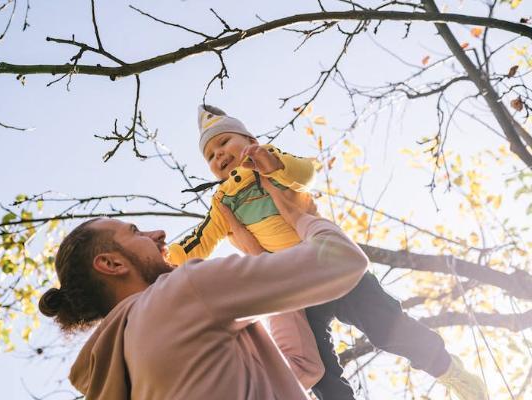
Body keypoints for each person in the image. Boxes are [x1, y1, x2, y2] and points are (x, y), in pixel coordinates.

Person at [166, 104, 487, 400]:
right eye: (209, 155)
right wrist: (165, 260)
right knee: (314, 370)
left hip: (325, 262)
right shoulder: (223, 202)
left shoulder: (269, 163)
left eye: (223, 142)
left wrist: (272, 163)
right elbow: (199, 241)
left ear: (248, 138)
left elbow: (305, 173)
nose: (218, 155)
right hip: (293, 291)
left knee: (386, 327)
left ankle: (447, 368)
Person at [38, 176, 370, 400]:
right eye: (136, 232)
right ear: (112, 264)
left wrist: (258, 257)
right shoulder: (181, 291)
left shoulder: (126, 372)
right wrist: (300, 215)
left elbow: (298, 369)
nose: (158, 234)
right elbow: (341, 260)